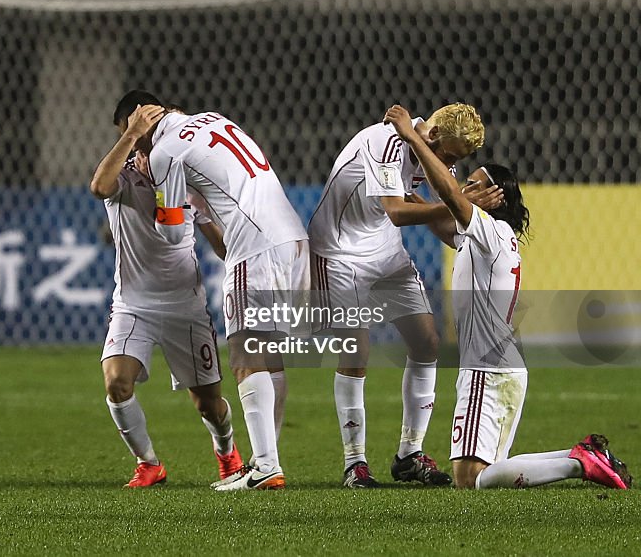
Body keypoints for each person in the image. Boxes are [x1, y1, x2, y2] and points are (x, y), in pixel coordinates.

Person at [384, 104, 632, 491]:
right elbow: (438, 210)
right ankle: (582, 455)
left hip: (488, 369)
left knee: (470, 480)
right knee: (488, 473)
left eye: (476, 182)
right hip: (503, 369)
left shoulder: (489, 231)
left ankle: (577, 464)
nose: (465, 185)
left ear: (494, 196)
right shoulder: (488, 236)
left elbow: (448, 194)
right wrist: (395, 195)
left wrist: (412, 136)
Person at [307, 102, 497, 489]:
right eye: (449, 154)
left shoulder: (434, 148)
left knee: (427, 341)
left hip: (385, 250)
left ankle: (409, 454)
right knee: (356, 351)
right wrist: (459, 204)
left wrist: (473, 241)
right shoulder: (387, 142)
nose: (449, 162)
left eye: (455, 159)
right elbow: (396, 210)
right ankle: (354, 463)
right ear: (436, 135)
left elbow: (435, 208)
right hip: (339, 251)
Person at [136, 90, 309, 491]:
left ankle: (266, 464)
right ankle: (267, 461)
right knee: (268, 353)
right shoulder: (213, 117)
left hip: (254, 248)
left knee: (245, 354)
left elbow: (171, 231)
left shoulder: (163, 153)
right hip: (290, 238)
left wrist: (163, 191)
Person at [91, 101, 243, 488]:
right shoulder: (121, 174)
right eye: (129, 128)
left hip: (185, 306)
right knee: (116, 382)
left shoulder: (184, 171)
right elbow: (98, 187)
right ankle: (148, 464)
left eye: (141, 126)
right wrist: (129, 136)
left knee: (208, 403)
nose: (138, 136)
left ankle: (227, 454)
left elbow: (221, 245)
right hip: (133, 305)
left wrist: (219, 229)